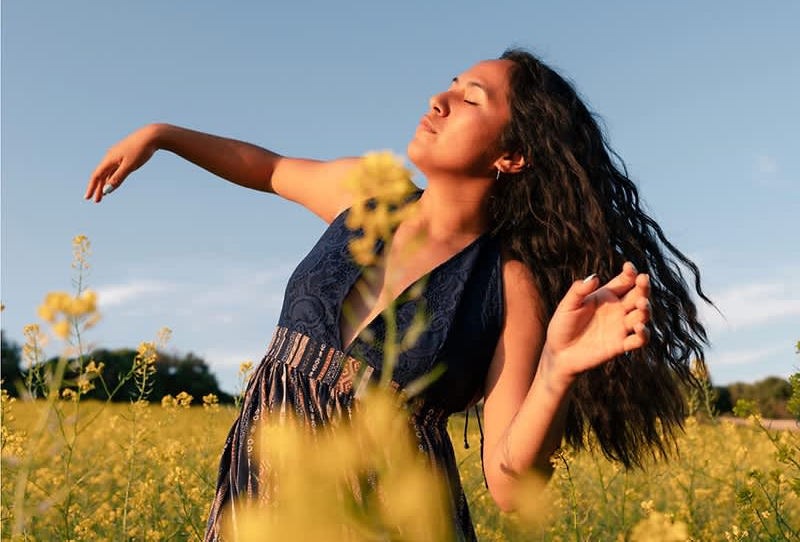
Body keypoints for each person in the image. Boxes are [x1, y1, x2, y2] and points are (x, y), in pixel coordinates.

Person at [84, 48, 711, 541]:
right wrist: (162, 135)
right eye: (450, 85)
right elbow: (267, 167)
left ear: (513, 155)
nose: (438, 100)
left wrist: (558, 370)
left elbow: (510, 485)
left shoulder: (508, 285)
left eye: (470, 99)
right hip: (265, 503)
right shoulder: (370, 195)